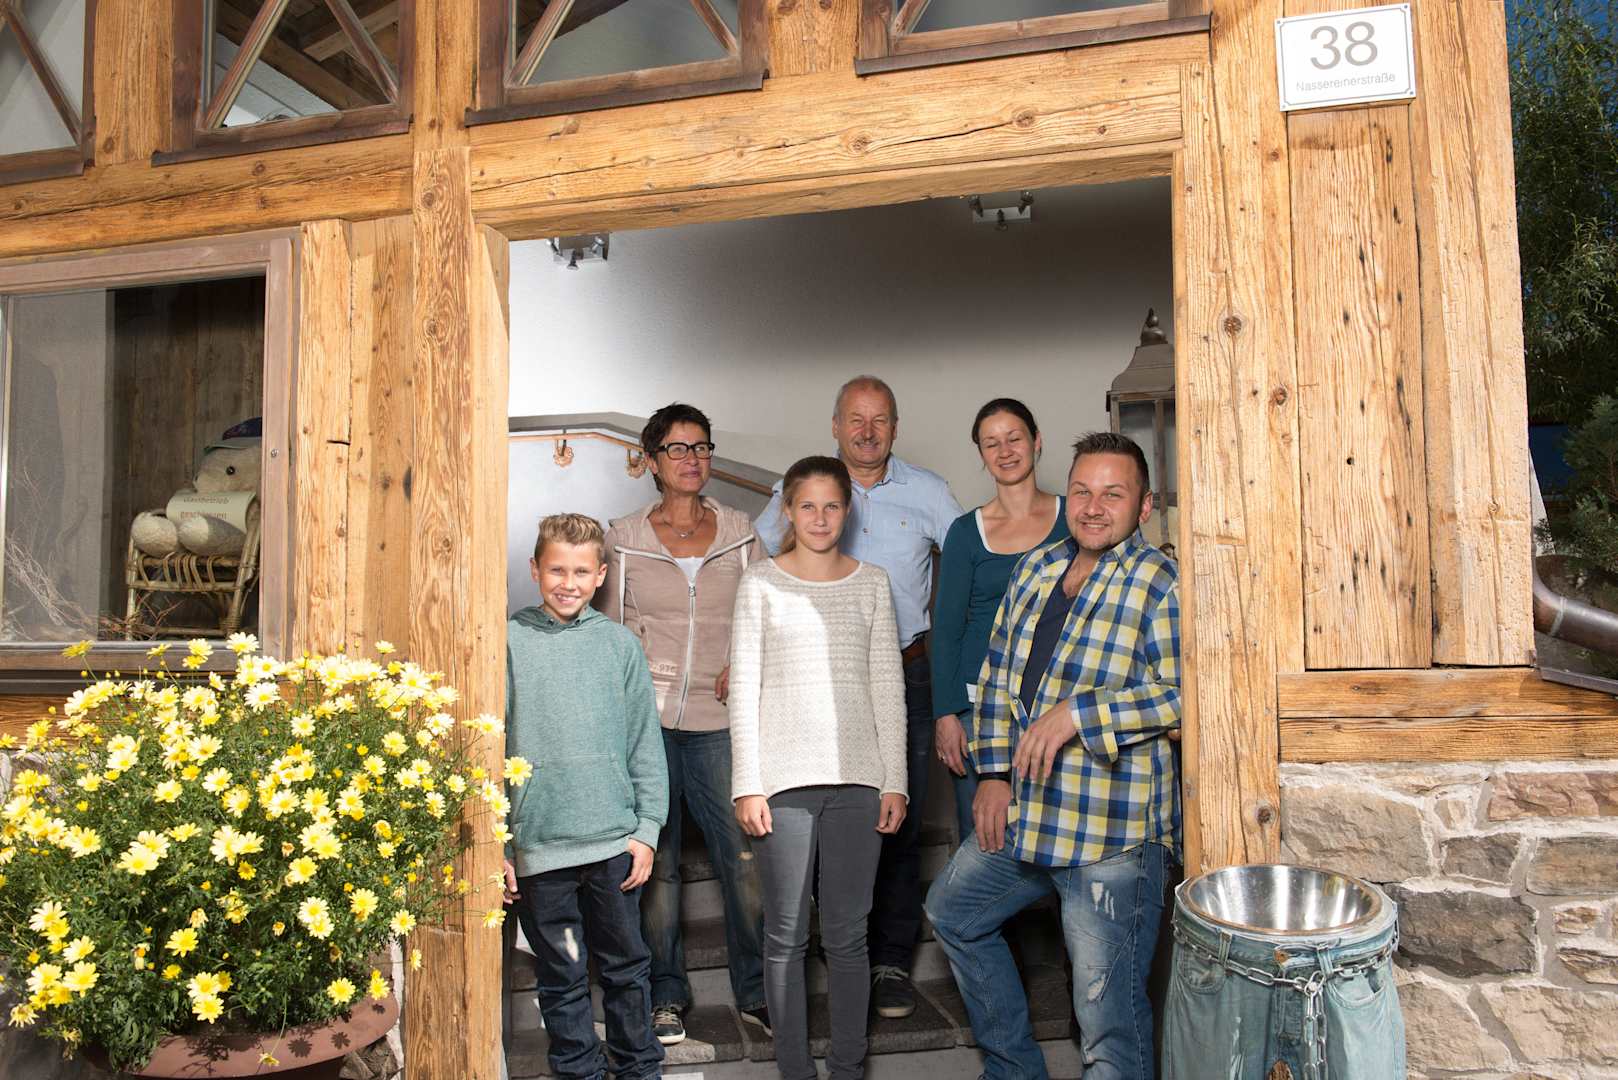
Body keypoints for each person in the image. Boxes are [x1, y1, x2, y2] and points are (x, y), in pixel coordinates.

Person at [924, 432, 1180, 1080]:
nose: (1093, 507)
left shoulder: (1161, 582)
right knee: (953, 912)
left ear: (1144, 505)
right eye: (1082, 491)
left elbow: (1185, 694)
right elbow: (995, 675)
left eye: (1113, 494)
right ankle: (1014, 1069)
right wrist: (992, 772)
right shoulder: (1037, 569)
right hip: (1030, 812)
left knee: (1107, 1020)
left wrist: (1079, 715)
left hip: (1113, 832)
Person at [753, 375, 961, 1019]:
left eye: (880, 420)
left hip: (907, 673)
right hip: (817, 684)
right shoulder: (804, 491)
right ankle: (829, 943)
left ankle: (889, 962)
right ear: (835, 426)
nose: (867, 432)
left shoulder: (929, 492)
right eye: (855, 419)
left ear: (895, 427)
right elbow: (760, 564)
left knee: (896, 817)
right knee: (816, 814)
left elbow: (963, 574)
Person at [730, 455, 909, 1080]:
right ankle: (795, 1070)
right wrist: (747, 784)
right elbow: (744, 687)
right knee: (784, 936)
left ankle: (848, 1068)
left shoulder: (873, 583)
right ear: (787, 510)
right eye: (807, 505)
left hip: (860, 782)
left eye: (832, 505)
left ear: (848, 510)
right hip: (782, 785)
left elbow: (887, 686)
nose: (820, 518)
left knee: (848, 937)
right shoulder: (759, 583)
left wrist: (895, 780)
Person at [599, 402, 769, 1044]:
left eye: (701, 447)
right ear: (651, 460)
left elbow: (765, 612)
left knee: (744, 861)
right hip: (648, 724)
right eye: (677, 448)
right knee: (658, 866)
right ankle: (665, 995)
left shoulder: (741, 533)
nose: (692, 459)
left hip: (721, 720)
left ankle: (757, 991)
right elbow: (609, 630)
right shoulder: (623, 538)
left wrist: (742, 662)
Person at [503, 513, 669, 1080]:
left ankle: (639, 1067)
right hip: (541, 851)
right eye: (557, 570)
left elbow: (645, 744)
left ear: (601, 575)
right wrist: (502, 844)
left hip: (613, 848)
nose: (568, 583)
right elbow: (490, 743)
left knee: (626, 968)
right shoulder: (508, 643)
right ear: (535, 569)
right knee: (564, 974)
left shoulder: (619, 646)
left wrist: (647, 830)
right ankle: (579, 1071)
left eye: (580, 572)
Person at [931, 398, 1069, 844]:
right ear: (981, 454)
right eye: (992, 443)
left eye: (1014, 438)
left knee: (1056, 831)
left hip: (1058, 701)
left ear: (1037, 441)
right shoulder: (965, 532)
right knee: (984, 836)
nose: (1005, 451)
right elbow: (947, 630)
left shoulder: (1075, 517)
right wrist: (947, 713)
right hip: (979, 706)